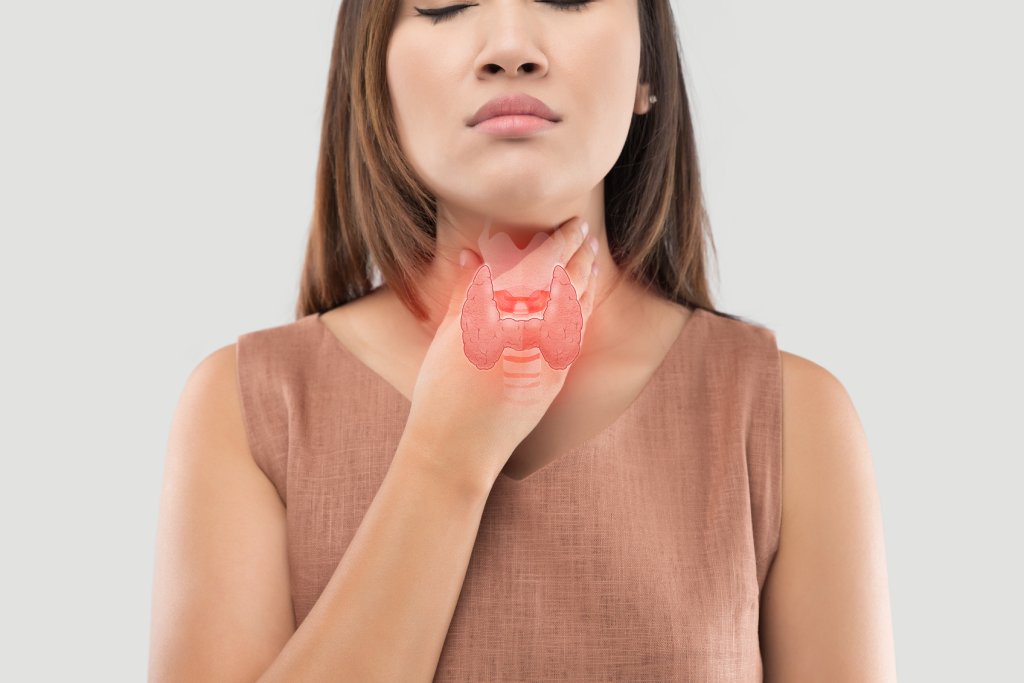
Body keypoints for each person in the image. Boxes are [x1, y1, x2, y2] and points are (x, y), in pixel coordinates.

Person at [149, 1, 898, 681]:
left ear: (649, 72)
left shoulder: (792, 419)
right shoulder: (247, 409)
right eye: (446, 2)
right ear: (373, 79)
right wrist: (446, 457)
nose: (509, 46)